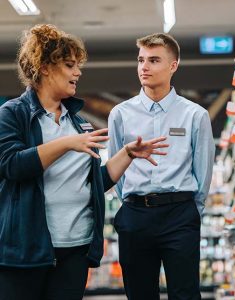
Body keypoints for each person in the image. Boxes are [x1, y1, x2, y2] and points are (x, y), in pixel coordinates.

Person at [0, 24, 168, 300]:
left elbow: (92, 183)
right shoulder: (13, 114)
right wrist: (66, 144)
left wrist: (127, 153)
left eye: (78, 65)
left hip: (75, 249)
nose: (78, 72)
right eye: (69, 65)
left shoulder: (78, 123)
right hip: (26, 250)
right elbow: (11, 165)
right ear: (44, 67)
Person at [108, 33, 215, 300]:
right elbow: (115, 168)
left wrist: (191, 211)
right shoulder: (120, 114)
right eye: (141, 60)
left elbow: (203, 173)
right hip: (135, 215)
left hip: (180, 215)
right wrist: (131, 202)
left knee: (185, 294)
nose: (144, 67)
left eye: (154, 60)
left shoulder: (195, 115)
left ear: (173, 65)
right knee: (139, 294)